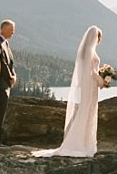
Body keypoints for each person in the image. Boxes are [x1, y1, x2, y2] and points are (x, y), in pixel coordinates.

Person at [33, 26, 109, 157]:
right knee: (87, 112)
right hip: (90, 86)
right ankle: (82, 144)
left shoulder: (85, 52)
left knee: (84, 111)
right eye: (99, 37)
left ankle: (83, 142)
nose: (99, 40)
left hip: (87, 86)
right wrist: (103, 81)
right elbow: (92, 72)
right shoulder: (90, 52)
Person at [0, 19, 17, 146]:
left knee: (1, 111)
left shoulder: (5, 43)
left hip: (6, 83)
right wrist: (10, 77)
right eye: (11, 29)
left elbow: (10, 63)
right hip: (1, 83)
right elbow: (2, 63)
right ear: (3, 28)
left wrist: (14, 74)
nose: (13, 32)